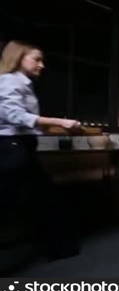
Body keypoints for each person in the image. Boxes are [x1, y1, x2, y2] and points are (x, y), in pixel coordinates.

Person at [0, 40, 81, 272]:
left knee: (42, 200)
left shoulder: (23, 85)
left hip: (20, 147)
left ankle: (61, 249)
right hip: (10, 149)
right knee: (31, 201)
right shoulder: (9, 81)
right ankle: (62, 249)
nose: (42, 65)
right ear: (18, 58)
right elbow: (16, 116)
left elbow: (27, 122)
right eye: (36, 59)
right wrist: (59, 121)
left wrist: (62, 127)